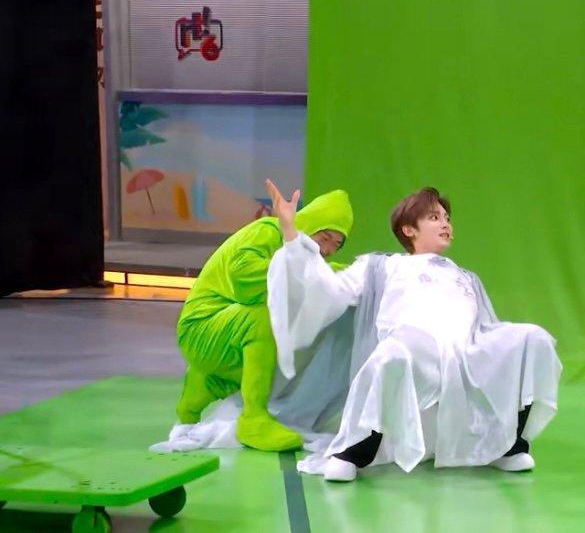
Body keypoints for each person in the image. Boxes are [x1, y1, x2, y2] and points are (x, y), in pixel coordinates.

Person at [265, 181, 562, 482]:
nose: (445, 224)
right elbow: (327, 291)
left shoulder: (465, 277)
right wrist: (291, 233)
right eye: (434, 217)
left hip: (467, 353)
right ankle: (355, 452)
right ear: (409, 230)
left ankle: (507, 445)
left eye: (447, 218)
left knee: (532, 338)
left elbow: (485, 326)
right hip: (418, 351)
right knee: (395, 351)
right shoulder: (381, 267)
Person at [169, 186, 352, 452]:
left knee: (283, 341)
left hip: (219, 334)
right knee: (264, 320)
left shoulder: (305, 258)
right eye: (325, 237)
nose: (329, 249)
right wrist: (308, 276)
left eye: (337, 244)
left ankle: (190, 407)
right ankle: (253, 418)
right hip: (201, 328)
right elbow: (245, 280)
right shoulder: (268, 231)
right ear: (309, 224)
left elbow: (307, 278)